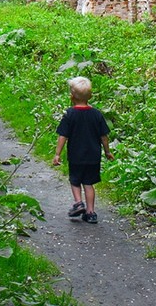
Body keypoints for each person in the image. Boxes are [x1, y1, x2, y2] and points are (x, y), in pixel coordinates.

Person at [52, 75, 114, 224]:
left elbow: (63, 136)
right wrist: (107, 151)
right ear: (90, 96)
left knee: (75, 181)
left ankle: (79, 203)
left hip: (76, 156)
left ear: (71, 97)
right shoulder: (96, 114)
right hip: (93, 156)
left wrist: (57, 154)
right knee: (88, 183)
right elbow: (104, 136)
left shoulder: (69, 114)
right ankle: (91, 213)